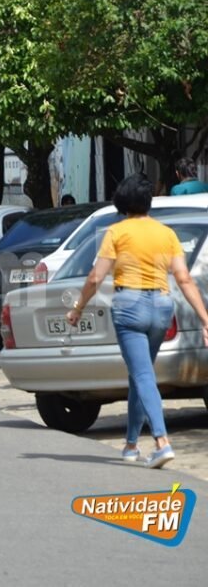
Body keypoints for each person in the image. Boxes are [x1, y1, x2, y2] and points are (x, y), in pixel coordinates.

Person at [66, 174, 208, 469]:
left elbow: (95, 277)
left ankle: (161, 442)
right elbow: (183, 279)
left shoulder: (117, 232)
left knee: (143, 376)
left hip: (129, 307)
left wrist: (78, 308)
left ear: (122, 202)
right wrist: (205, 320)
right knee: (139, 376)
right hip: (161, 306)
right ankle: (131, 444)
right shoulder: (166, 233)